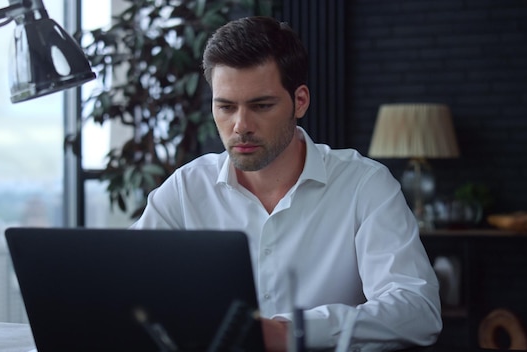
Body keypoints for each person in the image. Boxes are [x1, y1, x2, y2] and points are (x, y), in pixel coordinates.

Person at [131, 16, 442, 352]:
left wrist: (294, 332)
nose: (240, 126)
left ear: (300, 101)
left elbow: (417, 309)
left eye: (261, 106)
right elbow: (125, 287)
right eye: (225, 107)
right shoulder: (185, 189)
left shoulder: (364, 185)